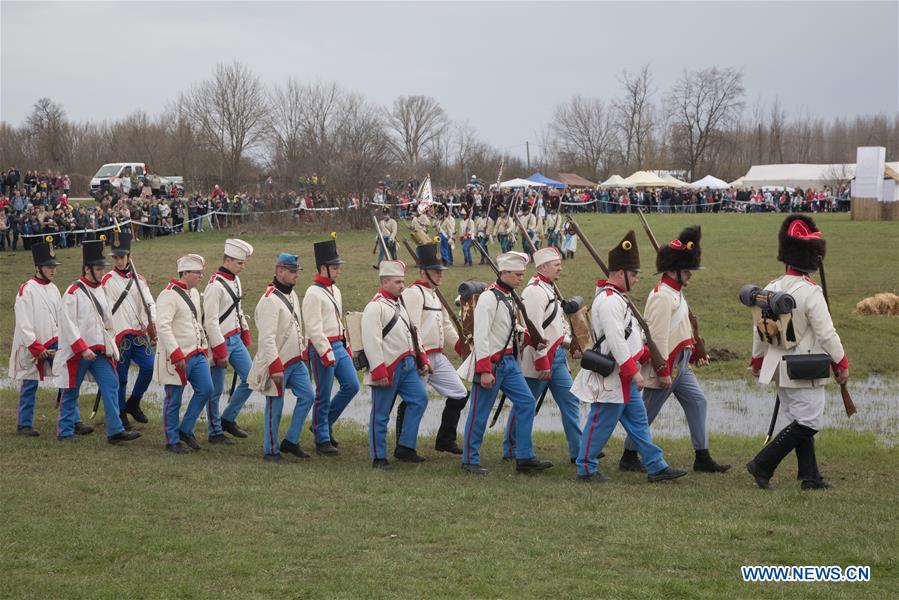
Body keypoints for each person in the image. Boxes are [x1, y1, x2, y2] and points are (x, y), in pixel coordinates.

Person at [570, 231, 686, 483]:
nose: (635, 279)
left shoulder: (618, 298)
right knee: (600, 422)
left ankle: (656, 465)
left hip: (623, 373)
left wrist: (643, 353)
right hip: (615, 373)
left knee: (639, 422)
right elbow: (615, 340)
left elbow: (630, 335)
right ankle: (586, 468)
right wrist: (633, 371)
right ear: (619, 273)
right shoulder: (610, 301)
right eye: (633, 274)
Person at [746, 215, 848, 490]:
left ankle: (810, 477)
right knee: (809, 422)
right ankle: (762, 464)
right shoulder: (811, 292)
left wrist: (757, 359)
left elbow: (760, 329)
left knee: (797, 419)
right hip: (806, 367)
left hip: (777, 365)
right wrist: (842, 362)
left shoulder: (771, 287)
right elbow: (827, 334)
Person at [619, 227, 731, 474]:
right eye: (687, 270)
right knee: (646, 413)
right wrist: (663, 370)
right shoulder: (661, 296)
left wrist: (695, 348)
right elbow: (657, 337)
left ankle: (702, 456)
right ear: (674, 270)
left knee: (698, 402)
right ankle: (628, 455)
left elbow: (683, 327)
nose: (690, 275)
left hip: (681, 363)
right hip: (668, 364)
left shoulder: (675, 293)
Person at [458, 251, 553, 475]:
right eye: (518, 274)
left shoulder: (508, 296)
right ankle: (469, 459)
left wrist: (531, 339)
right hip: (492, 363)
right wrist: (484, 370)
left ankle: (524, 456)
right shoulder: (489, 298)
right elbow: (481, 336)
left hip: (509, 362)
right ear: (505, 273)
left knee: (527, 403)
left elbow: (508, 329)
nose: (522, 278)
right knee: (479, 413)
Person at [54, 239, 140, 445]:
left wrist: (110, 344)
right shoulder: (73, 292)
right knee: (71, 390)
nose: (102, 273)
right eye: (99, 269)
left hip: (100, 351)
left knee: (111, 384)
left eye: (103, 269)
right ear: (87, 269)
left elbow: (107, 322)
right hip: (79, 352)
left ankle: (115, 431)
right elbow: (67, 324)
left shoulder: (101, 290)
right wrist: (82, 349)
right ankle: (65, 431)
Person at [504, 247, 582, 463]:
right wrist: (542, 363)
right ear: (543, 267)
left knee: (571, 401)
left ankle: (579, 450)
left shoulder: (549, 288)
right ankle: (511, 447)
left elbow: (555, 328)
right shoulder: (535, 292)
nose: (560, 267)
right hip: (540, 358)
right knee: (525, 403)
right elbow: (535, 330)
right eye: (556, 264)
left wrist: (569, 344)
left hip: (556, 357)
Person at [397, 243, 469, 454]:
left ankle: (445, 440)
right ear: (423, 272)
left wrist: (460, 347)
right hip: (421, 357)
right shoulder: (414, 293)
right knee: (414, 400)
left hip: (437, 356)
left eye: (440, 271)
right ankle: (404, 446)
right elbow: (412, 328)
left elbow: (445, 325)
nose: (440, 275)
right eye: (436, 271)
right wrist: (421, 357)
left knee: (460, 393)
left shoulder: (434, 294)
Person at [362, 259, 432, 468]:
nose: (402, 285)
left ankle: (405, 446)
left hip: (408, 364)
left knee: (420, 399)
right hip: (388, 367)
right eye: (397, 282)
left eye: (402, 281)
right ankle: (378, 456)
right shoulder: (375, 307)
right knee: (381, 414)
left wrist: (423, 358)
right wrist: (379, 371)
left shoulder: (400, 304)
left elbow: (413, 332)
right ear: (384, 283)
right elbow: (372, 341)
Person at [247, 253, 315, 463]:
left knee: (308, 396)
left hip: (295, 360)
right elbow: (266, 338)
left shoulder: (292, 295)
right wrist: (275, 366)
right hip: (278, 363)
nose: (296, 275)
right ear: (280, 272)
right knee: (274, 407)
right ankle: (271, 450)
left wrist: (302, 351)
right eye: (292, 271)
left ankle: (291, 440)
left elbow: (297, 326)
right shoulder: (269, 300)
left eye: (297, 271)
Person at [302, 239, 360, 454]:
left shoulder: (335, 291)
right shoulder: (312, 293)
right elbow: (314, 328)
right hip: (321, 348)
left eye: (338, 267)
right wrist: (325, 351)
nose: (338, 271)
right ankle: (322, 437)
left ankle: (322, 425)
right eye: (334, 267)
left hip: (338, 344)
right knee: (323, 393)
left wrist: (345, 344)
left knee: (352, 385)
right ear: (323, 268)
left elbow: (337, 320)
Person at [153, 254, 212, 453]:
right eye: (197, 273)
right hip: (177, 356)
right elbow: (163, 326)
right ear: (185, 273)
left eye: (201, 273)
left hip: (197, 352)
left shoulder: (194, 293)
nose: (200, 277)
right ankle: (172, 440)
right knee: (174, 399)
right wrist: (176, 353)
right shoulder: (168, 295)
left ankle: (186, 429)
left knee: (206, 389)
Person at [101, 230, 157, 429]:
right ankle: (121, 411)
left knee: (150, 367)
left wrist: (152, 325)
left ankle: (134, 402)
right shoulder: (106, 280)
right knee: (121, 376)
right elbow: (104, 309)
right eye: (115, 257)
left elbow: (149, 304)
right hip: (119, 334)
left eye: (122, 257)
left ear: (129, 257)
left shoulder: (139, 280)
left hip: (138, 332)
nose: (118, 261)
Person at [9, 240, 62, 436]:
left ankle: (71, 420)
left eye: (54, 266)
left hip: (54, 341)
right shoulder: (27, 289)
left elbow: (59, 318)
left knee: (67, 377)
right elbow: (24, 323)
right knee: (30, 383)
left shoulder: (54, 289)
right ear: (38, 267)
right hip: (33, 344)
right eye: (49, 266)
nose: (52, 270)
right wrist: (35, 346)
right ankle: (24, 424)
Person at [205, 239, 255, 443]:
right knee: (215, 390)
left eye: (243, 263)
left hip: (235, 338)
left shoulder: (235, 280)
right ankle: (214, 431)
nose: (242, 267)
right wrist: (218, 349)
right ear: (227, 259)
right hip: (221, 342)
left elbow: (237, 308)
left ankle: (228, 418)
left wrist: (245, 330)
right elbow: (210, 321)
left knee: (251, 378)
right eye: (239, 263)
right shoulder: (214, 286)